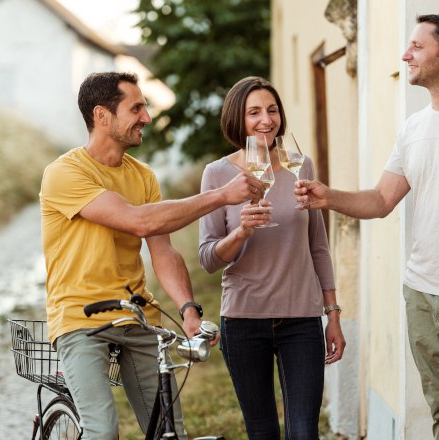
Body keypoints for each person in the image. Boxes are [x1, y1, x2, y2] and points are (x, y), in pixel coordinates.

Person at [39, 71, 265, 440]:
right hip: (80, 319)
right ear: (102, 115)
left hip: (136, 316)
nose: (146, 117)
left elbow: (163, 250)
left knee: (168, 430)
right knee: (102, 430)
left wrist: (189, 310)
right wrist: (221, 195)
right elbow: (138, 222)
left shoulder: (143, 176)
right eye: (137, 108)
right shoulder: (64, 173)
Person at [295, 14, 439, 440]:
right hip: (420, 294)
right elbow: (381, 200)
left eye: (417, 46)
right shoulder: (413, 128)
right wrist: (329, 196)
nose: (405, 54)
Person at [198, 76, 346, 439]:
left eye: (272, 110)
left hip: (301, 319)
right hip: (244, 319)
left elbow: (318, 245)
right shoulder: (218, 174)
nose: (266, 120)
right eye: (254, 112)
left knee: (304, 432)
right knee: (262, 431)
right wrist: (242, 231)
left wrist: (333, 314)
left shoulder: (300, 165)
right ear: (239, 118)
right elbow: (208, 257)